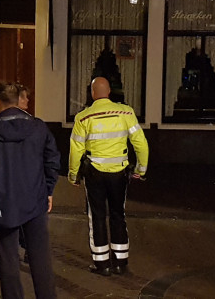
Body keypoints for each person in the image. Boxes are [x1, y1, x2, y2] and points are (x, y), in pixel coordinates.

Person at [0, 82, 60, 299]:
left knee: (8, 260)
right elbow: (52, 161)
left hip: (3, 203)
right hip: (35, 199)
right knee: (41, 258)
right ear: (19, 100)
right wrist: (48, 190)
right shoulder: (39, 128)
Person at [68, 76, 149, 277]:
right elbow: (140, 143)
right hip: (119, 173)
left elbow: (76, 149)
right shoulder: (126, 112)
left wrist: (73, 175)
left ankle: (102, 263)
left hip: (94, 174)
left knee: (96, 216)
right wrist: (141, 169)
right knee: (117, 214)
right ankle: (120, 262)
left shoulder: (83, 118)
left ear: (92, 93)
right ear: (109, 92)